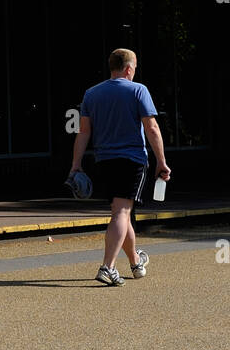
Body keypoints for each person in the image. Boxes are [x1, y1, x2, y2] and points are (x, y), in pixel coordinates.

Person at [69, 48, 170, 286]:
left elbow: (83, 132)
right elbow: (152, 128)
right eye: (134, 69)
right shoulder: (138, 90)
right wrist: (162, 161)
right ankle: (108, 267)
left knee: (120, 212)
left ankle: (135, 262)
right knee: (122, 213)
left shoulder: (92, 93)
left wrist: (76, 165)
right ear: (128, 68)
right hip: (132, 159)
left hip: (104, 160)